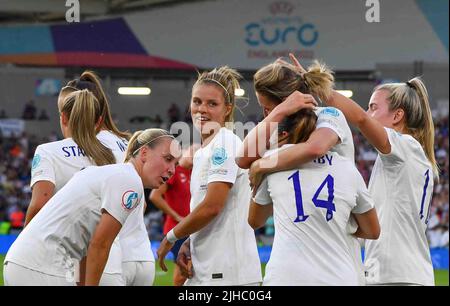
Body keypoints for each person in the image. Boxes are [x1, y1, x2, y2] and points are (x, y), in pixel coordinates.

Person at [285, 54, 438, 286]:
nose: (368, 113)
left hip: (397, 275)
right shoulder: (400, 158)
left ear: (398, 116)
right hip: (402, 273)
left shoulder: (405, 147)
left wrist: (319, 87)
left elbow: (361, 120)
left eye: (373, 107)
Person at [3, 129, 180, 286]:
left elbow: (88, 244)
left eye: (175, 164)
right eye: (168, 159)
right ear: (144, 153)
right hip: (43, 266)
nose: (172, 170)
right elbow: (100, 244)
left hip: (26, 261)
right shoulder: (129, 181)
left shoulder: (108, 173)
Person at [249, 108, 380, 285]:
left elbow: (255, 221)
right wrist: (338, 229)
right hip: (339, 277)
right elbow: (372, 231)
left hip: (286, 277)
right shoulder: (348, 168)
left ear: (283, 134)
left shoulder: (271, 164)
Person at [157, 66, 262, 286]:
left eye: (212, 104)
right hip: (209, 268)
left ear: (227, 109)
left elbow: (213, 206)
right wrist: (190, 241)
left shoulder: (224, 144)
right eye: (197, 101)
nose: (201, 109)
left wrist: (172, 237)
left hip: (226, 271)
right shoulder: (206, 149)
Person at [150, 145, 197, 286]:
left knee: (191, 270)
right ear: (186, 151)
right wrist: (176, 216)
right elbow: (155, 195)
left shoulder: (194, 173)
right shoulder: (175, 172)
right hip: (177, 229)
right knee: (184, 270)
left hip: (193, 228)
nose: (196, 156)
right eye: (194, 152)